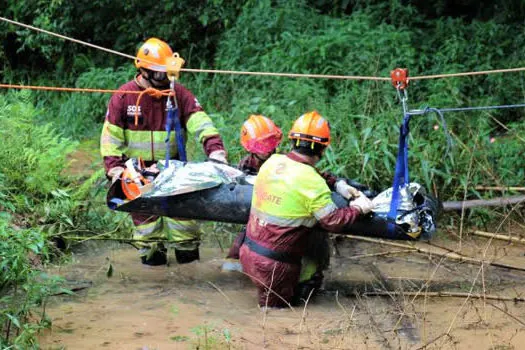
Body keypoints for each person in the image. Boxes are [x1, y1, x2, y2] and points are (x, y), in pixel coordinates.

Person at [100, 37, 228, 266]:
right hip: (137, 176)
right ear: (144, 70)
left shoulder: (179, 94)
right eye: (159, 74)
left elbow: (201, 123)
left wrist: (216, 151)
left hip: (175, 174)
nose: (164, 79)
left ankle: (190, 275)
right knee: (148, 236)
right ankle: (154, 277)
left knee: (186, 231)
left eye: (167, 73)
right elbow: (110, 138)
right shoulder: (123, 97)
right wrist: (115, 169)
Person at [239, 111, 375, 308]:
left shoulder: (272, 162)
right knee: (274, 316)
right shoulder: (312, 182)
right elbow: (333, 222)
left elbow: (305, 173)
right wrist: (357, 208)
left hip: (248, 253)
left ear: (293, 140)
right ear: (322, 148)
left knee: (311, 243)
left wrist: (337, 184)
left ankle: (295, 287)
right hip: (274, 268)